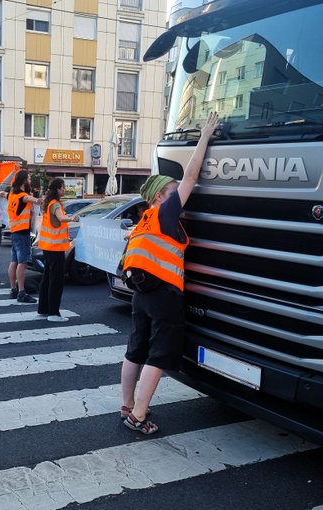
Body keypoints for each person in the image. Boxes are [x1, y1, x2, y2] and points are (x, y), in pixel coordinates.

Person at [120, 111, 219, 435]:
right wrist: (205, 136)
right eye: (172, 190)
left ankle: (127, 404)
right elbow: (190, 177)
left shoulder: (145, 218)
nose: (180, 194)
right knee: (159, 355)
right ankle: (139, 414)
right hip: (164, 293)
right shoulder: (166, 210)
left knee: (136, 348)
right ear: (162, 195)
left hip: (141, 293)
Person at [36, 178, 79, 322]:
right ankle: (54, 313)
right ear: (58, 189)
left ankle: (43, 309)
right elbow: (61, 218)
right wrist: (72, 219)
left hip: (48, 247)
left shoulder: (49, 203)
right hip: (56, 248)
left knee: (47, 278)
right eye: (63, 187)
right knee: (56, 281)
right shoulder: (55, 205)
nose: (64, 190)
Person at [7, 169, 42, 303]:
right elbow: (32, 199)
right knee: (23, 263)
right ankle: (21, 292)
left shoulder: (12, 194)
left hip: (14, 231)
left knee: (14, 261)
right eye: (28, 178)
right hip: (22, 233)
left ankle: (13, 290)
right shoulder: (23, 196)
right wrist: (39, 200)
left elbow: (1, 193)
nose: (29, 180)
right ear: (24, 180)